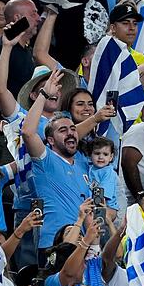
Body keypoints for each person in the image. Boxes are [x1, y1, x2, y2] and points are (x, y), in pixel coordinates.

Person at [22, 69, 91, 260]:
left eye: (72, 129)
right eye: (63, 130)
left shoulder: (83, 164)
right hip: (53, 244)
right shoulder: (45, 160)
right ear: (50, 140)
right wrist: (44, 94)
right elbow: (28, 132)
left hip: (82, 243)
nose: (70, 133)